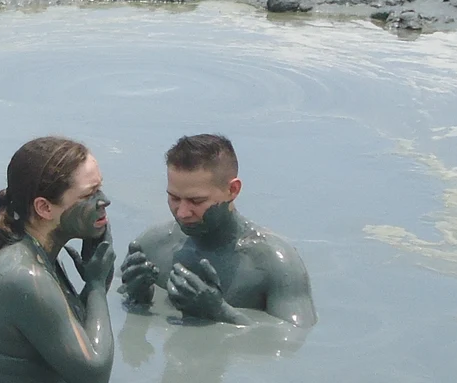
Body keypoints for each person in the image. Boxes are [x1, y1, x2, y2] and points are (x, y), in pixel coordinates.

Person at [0, 137, 116, 383]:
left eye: (100, 188)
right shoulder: (25, 276)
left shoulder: (34, 252)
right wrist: (96, 285)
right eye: (89, 194)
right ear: (44, 208)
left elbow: (64, 330)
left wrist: (97, 282)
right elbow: (95, 377)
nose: (104, 201)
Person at [119, 134, 315, 328]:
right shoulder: (152, 245)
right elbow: (117, 303)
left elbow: (296, 336)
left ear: (233, 190)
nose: (182, 213)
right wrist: (137, 297)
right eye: (174, 198)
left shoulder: (275, 263)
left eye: (196, 201)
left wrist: (221, 313)